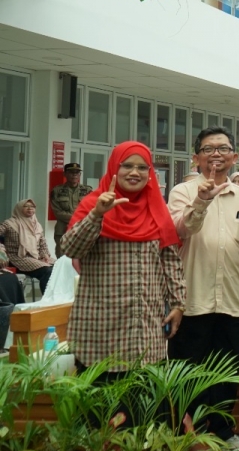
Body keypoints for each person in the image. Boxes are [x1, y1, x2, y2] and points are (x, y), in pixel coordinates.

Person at [166, 127, 239, 451]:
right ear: (196, 157)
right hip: (192, 300)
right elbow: (182, 228)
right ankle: (187, 438)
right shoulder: (181, 192)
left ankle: (223, 433)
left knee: (225, 372)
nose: (216, 154)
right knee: (188, 373)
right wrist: (202, 200)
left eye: (223, 148)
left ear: (234, 157)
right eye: (208, 149)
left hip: (233, 300)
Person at [60, 141, 184, 373]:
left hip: (145, 325)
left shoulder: (157, 208)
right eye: (127, 166)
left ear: (150, 174)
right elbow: (71, 249)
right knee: (101, 403)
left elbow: (171, 261)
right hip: (100, 324)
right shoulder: (92, 204)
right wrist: (97, 215)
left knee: (142, 403)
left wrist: (178, 304)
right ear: (114, 168)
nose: (135, 172)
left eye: (142, 167)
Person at [1, 199, 55, 294]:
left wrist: (45, 255)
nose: (30, 209)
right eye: (26, 206)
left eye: (32, 207)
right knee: (47, 271)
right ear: (19, 209)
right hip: (18, 258)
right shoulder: (9, 223)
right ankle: (48, 299)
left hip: (36, 257)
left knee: (58, 266)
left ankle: (58, 298)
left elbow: (42, 243)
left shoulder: (37, 225)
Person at [49, 162, 91, 254]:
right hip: (63, 228)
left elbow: (91, 209)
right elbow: (57, 212)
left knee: (81, 255)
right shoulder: (57, 191)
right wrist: (76, 218)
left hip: (82, 228)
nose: (74, 175)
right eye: (71, 172)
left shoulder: (87, 190)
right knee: (62, 255)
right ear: (65, 174)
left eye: (77, 173)